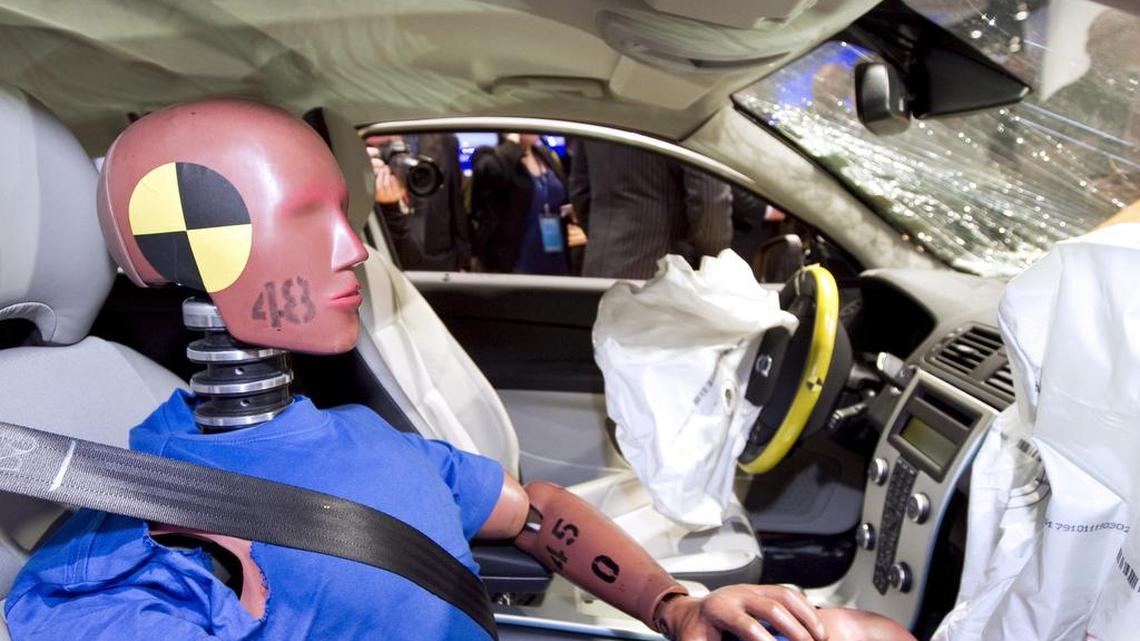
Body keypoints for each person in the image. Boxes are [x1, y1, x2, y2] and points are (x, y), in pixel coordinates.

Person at [4, 99, 915, 641]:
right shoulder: (140, 547)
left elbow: (539, 511)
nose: (351, 251)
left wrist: (675, 607)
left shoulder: (352, 435)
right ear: (190, 239)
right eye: (306, 216)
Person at [568, 138, 733, 279]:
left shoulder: (598, 107)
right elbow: (709, 202)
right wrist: (713, 264)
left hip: (596, 267)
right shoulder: (688, 106)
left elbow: (580, 191)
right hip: (661, 276)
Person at [470, 133, 573, 275]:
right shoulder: (491, 156)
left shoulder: (545, 155)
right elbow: (492, 174)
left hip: (554, 254)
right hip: (516, 260)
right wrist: (512, 144)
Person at [365, 133, 471, 271]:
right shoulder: (352, 145)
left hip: (442, 262)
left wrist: (463, 261)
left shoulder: (444, 141)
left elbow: (455, 202)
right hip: (389, 261)